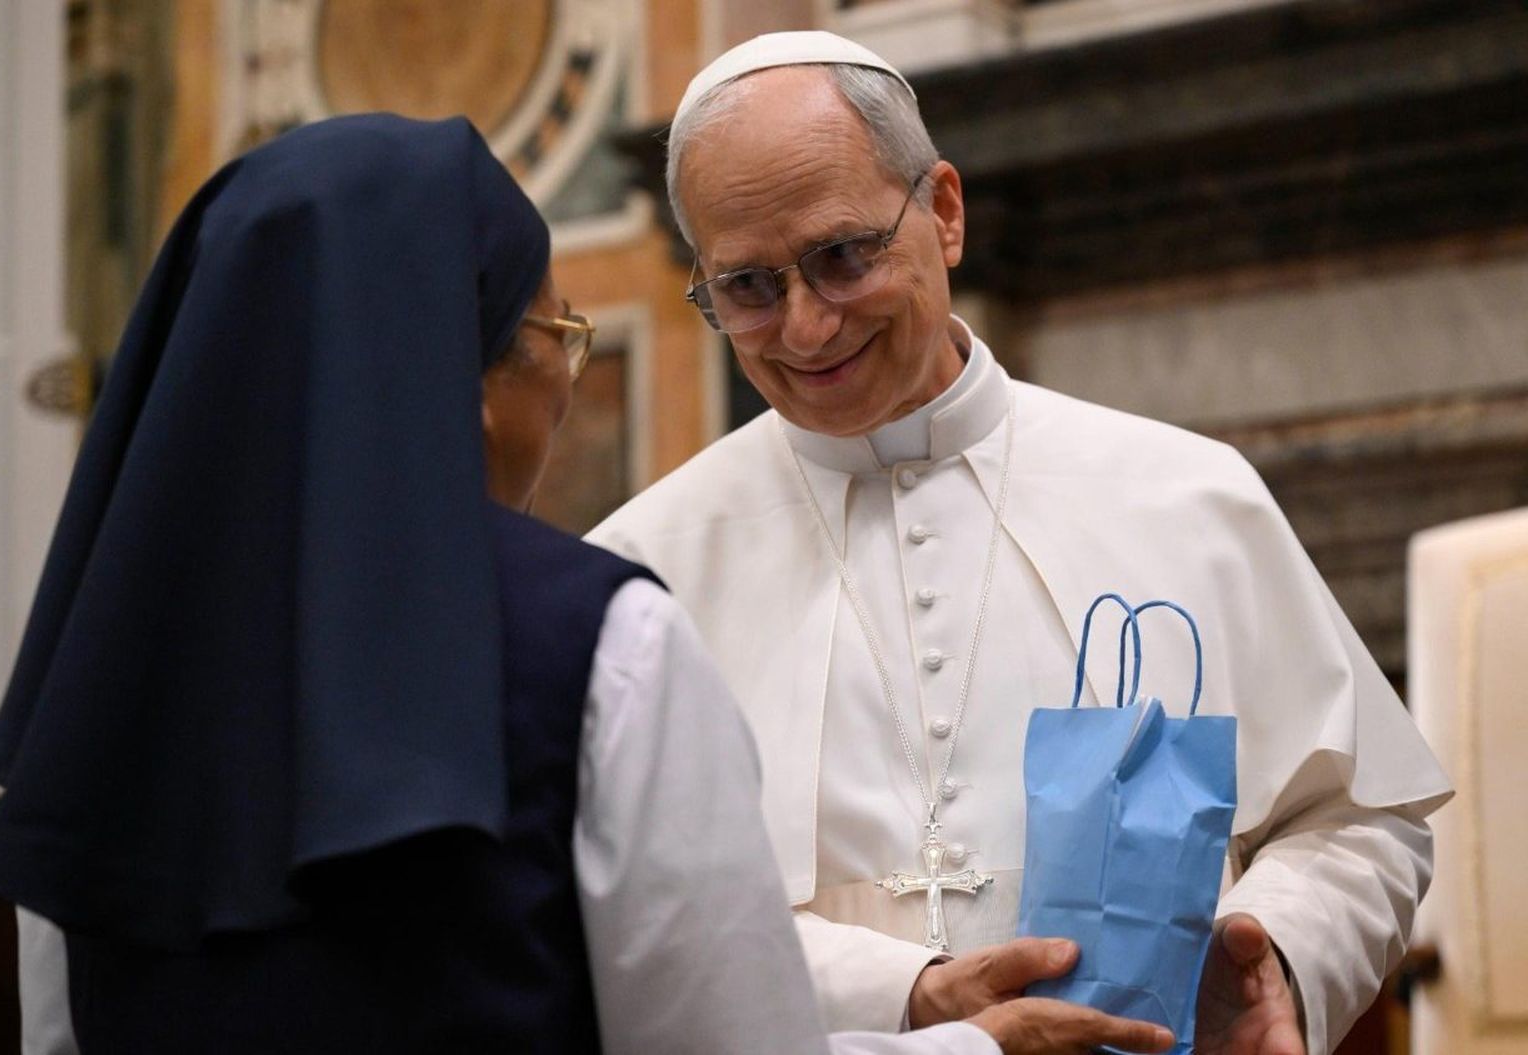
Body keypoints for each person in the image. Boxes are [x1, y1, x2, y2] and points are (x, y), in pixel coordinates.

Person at [0, 113, 1176, 1055]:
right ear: (474, 370)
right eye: (559, 337)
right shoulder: (601, 637)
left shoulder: (100, 673)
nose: (565, 386)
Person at [587, 31, 1453, 1055]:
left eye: (841, 257)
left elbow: (1359, 818)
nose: (807, 326)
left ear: (943, 212)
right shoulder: (637, 575)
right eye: (747, 288)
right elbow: (630, 930)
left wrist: (1280, 958)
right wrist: (905, 992)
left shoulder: (1186, 494)